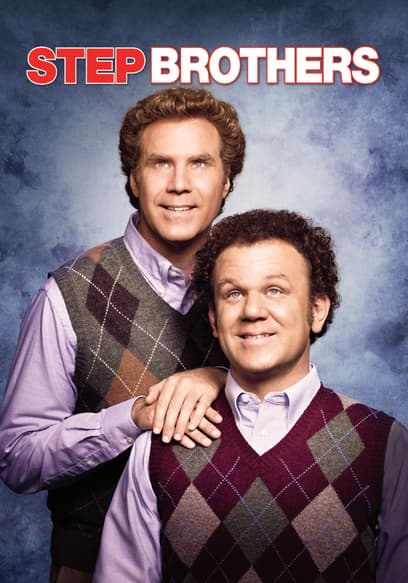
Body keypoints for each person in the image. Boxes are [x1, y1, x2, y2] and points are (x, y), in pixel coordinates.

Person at [0, 87, 246, 582]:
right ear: (133, 179)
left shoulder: (255, 283)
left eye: (199, 163)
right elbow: (18, 459)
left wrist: (219, 377)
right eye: (160, 163)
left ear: (226, 182)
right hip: (91, 563)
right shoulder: (68, 294)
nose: (180, 184)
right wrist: (133, 418)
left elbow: (293, 406)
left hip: (229, 558)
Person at [94, 209, 408, 582]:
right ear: (214, 319)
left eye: (274, 290)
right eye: (234, 293)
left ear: (317, 310)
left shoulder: (383, 444)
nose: (253, 311)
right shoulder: (160, 445)